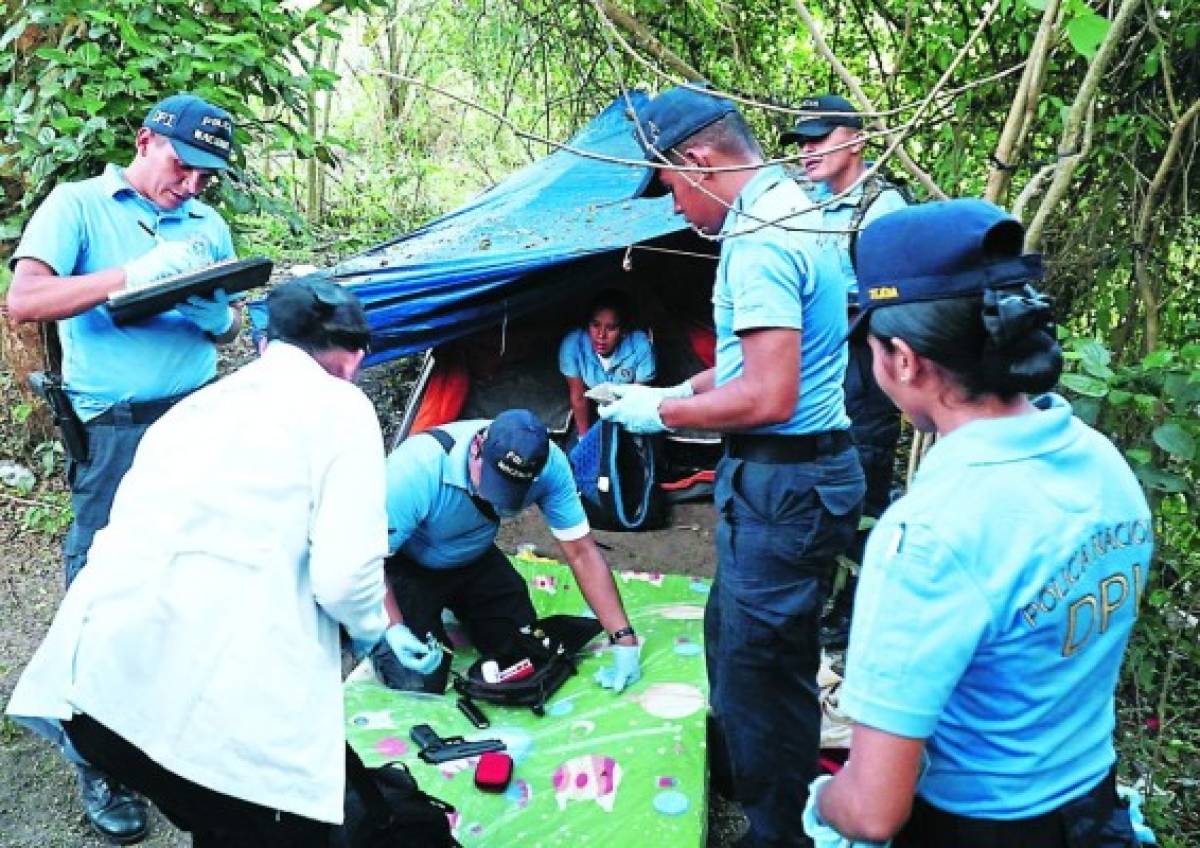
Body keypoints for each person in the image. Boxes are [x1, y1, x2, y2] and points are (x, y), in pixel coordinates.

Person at [6, 279, 437, 847]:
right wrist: (374, 630)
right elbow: (343, 575)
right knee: (272, 823)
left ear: (265, 345)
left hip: (97, 692)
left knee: (217, 823)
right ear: (356, 357)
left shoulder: (200, 406)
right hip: (220, 716)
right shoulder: (341, 406)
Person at [802, 199, 1151, 848]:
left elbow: (877, 811)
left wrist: (825, 803)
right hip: (1096, 811)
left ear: (903, 359)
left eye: (872, 348)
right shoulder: (1104, 466)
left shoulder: (928, 535)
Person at [602, 85, 865, 847]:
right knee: (742, 641)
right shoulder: (791, 206)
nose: (676, 208)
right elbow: (760, 360)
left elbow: (770, 393)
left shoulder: (759, 240)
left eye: (672, 187)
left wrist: (665, 416)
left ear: (699, 160)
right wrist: (676, 387)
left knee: (756, 672)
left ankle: (777, 828)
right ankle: (764, 784)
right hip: (793, 478)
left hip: (787, 478)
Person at [3, 92, 242, 844]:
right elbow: (25, 301)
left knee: (190, 582)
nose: (194, 186)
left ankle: (172, 734)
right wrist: (129, 277)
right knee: (101, 597)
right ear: (146, 140)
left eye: (209, 176)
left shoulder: (205, 223)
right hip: (116, 433)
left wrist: (216, 313)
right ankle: (93, 754)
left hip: (198, 419)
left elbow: (231, 314)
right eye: (184, 166)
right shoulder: (77, 206)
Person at [370, 408, 643, 696]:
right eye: (492, 484)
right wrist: (393, 626)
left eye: (511, 492)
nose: (497, 498)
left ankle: (458, 606)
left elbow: (582, 553)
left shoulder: (550, 466)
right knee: (418, 680)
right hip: (405, 563)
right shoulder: (414, 472)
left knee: (523, 650)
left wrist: (623, 638)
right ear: (477, 449)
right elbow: (366, 561)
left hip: (474, 555)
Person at [778, 93, 910, 648]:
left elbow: (893, 306)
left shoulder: (883, 212)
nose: (806, 152)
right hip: (816, 376)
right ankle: (819, 606)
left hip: (862, 374)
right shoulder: (806, 205)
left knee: (862, 495)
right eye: (801, 142)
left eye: (818, 139)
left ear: (855, 140)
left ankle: (857, 616)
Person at [559, 288, 656, 437]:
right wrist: (583, 438)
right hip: (593, 407)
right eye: (595, 325)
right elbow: (578, 397)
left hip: (630, 409)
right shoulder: (573, 345)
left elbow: (638, 400)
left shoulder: (640, 346)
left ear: (623, 331)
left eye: (611, 328)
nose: (601, 335)